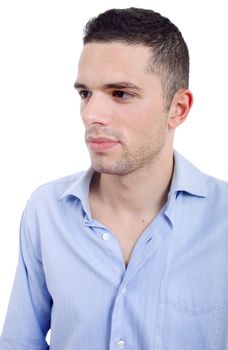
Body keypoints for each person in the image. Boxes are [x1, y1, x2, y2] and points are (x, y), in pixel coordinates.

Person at [0, 7, 228, 350]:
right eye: (85, 93)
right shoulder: (45, 211)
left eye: (120, 94)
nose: (91, 114)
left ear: (177, 109)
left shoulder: (223, 219)